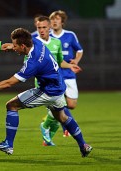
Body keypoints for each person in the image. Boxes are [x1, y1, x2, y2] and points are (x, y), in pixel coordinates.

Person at [0, 28, 92, 157]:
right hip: (59, 88)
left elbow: (9, 83)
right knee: (62, 117)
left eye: (16, 46)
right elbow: (22, 44)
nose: (15, 48)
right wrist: (11, 45)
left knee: (11, 105)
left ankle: (8, 144)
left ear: (23, 46)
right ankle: (84, 145)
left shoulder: (33, 63)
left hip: (47, 92)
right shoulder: (37, 42)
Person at [34, 16, 82, 146]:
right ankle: (46, 128)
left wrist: (71, 65)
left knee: (58, 111)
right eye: (39, 28)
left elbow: (60, 62)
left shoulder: (56, 43)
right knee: (58, 110)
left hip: (57, 81)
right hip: (43, 83)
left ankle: (47, 138)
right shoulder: (34, 42)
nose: (42, 30)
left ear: (49, 28)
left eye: (44, 27)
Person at [49, 10, 84, 137]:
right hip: (55, 74)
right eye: (52, 19)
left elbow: (79, 50)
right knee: (59, 102)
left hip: (69, 72)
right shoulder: (47, 36)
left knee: (71, 105)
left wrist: (76, 60)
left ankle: (55, 116)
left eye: (57, 19)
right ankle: (66, 126)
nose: (54, 21)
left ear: (62, 22)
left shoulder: (70, 35)